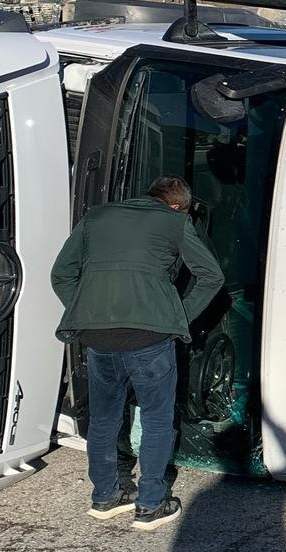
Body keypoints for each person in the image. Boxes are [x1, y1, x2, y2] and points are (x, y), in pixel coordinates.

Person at [51, 176, 224, 531]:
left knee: (103, 418)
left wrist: (90, 311)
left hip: (98, 337)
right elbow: (211, 276)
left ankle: (105, 497)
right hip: (150, 337)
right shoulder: (175, 221)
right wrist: (178, 317)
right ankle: (150, 504)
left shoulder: (95, 217)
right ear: (176, 206)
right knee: (157, 419)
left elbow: (61, 275)